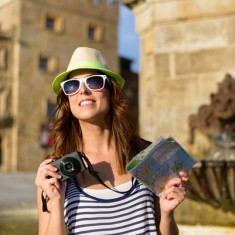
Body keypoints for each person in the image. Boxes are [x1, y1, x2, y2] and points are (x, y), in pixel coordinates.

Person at [35, 47, 189, 235]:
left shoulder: (147, 155)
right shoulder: (56, 171)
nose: (82, 90)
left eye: (93, 81)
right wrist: (57, 202)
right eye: (72, 86)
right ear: (68, 100)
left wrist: (167, 213)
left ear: (111, 92)